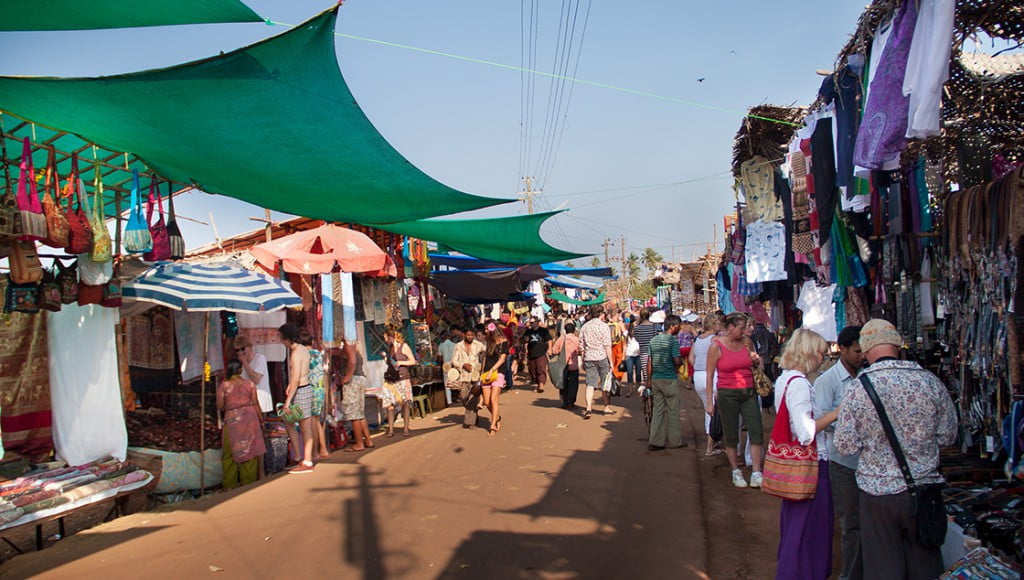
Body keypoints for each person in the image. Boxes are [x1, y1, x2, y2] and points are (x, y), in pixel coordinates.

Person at [834, 319, 956, 580]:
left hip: (877, 495)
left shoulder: (857, 389)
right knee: (926, 566)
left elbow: (844, 445)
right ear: (898, 344)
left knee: (883, 568)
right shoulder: (930, 382)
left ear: (865, 349)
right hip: (924, 493)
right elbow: (948, 435)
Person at [774, 329, 839, 580]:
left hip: (796, 466)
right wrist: (835, 414)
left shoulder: (786, 379)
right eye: (822, 352)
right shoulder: (799, 383)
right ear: (811, 353)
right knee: (809, 530)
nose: (823, 358)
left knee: (797, 528)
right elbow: (805, 432)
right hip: (810, 466)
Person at [814, 326, 865, 580]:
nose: (861, 356)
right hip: (843, 461)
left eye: (864, 351)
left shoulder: (868, 375)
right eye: (856, 351)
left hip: (869, 463)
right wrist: (845, 417)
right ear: (842, 349)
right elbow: (818, 421)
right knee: (851, 525)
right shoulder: (828, 381)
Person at [705, 312, 764, 488]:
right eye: (742, 327)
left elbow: (759, 365)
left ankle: (756, 471)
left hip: (749, 391)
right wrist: (709, 402)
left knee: (756, 431)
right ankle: (735, 471)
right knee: (731, 434)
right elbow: (709, 375)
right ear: (730, 328)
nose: (746, 330)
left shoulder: (747, 343)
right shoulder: (716, 346)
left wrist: (756, 360)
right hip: (727, 393)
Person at [217, 359, 267, 489]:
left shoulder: (224, 385)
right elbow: (256, 403)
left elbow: (220, 405)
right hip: (250, 418)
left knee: (229, 453)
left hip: (232, 420)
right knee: (250, 451)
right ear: (240, 370)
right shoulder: (249, 384)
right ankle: (249, 484)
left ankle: (229, 486)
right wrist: (261, 421)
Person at [279, 323, 314, 474]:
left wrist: (287, 402)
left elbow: (295, 379)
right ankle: (302, 457)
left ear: (286, 339)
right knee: (298, 424)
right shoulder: (303, 350)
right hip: (305, 389)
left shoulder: (295, 354)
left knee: (299, 425)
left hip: (301, 390)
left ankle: (305, 460)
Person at [646, 314, 685, 451]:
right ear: (673, 326)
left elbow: (649, 362)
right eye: (679, 326)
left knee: (657, 410)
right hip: (669, 379)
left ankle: (656, 441)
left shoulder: (654, 340)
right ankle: (675, 441)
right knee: (673, 411)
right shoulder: (672, 342)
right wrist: (680, 363)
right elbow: (676, 360)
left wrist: (648, 380)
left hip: (656, 378)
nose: (680, 328)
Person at [690, 312, 723, 456]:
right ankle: (713, 444)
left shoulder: (698, 339)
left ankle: (710, 445)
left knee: (708, 409)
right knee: (716, 410)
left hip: (698, 375)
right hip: (713, 375)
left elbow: (691, 358)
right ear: (714, 325)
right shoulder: (716, 339)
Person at [579, 304, 614, 419]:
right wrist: (611, 362)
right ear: (601, 314)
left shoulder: (585, 327)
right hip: (602, 357)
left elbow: (582, 345)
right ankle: (606, 407)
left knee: (590, 383)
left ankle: (588, 408)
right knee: (605, 383)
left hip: (589, 357)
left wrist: (583, 358)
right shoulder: (604, 326)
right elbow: (607, 345)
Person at [339, 338, 374, 452]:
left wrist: (347, 376)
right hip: (360, 379)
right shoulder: (355, 346)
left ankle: (359, 443)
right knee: (360, 413)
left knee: (354, 414)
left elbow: (352, 361)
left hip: (353, 380)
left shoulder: (349, 345)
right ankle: (368, 440)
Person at [382, 329, 415, 438]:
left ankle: (406, 428)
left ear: (390, 336)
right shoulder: (390, 348)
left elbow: (413, 361)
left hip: (403, 377)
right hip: (391, 378)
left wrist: (400, 362)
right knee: (390, 405)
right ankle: (391, 429)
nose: (385, 340)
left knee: (406, 403)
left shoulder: (403, 346)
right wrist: (385, 358)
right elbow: (390, 362)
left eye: (386, 337)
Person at [452, 328, 484, 429]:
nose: (470, 337)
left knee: (473, 399)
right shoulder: (458, 346)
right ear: (464, 335)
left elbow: (484, 357)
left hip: (475, 376)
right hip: (463, 377)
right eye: (468, 335)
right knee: (464, 398)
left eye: (472, 335)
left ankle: (471, 422)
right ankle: (474, 414)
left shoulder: (479, 345)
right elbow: (454, 361)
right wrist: (463, 364)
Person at [480, 323, 508, 436]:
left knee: (493, 399)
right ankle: (497, 417)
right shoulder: (488, 341)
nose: (485, 331)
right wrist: (482, 372)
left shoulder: (503, 342)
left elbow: (502, 359)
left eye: (487, 329)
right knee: (486, 402)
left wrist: (492, 370)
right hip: (486, 373)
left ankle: (492, 425)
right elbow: (485, 358)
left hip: (498, 372)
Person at [234, 335, 273, 415]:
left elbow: (256, 379)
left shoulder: (260, 358)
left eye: (243, 349)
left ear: (250, 347)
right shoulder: (242, 364)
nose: (240, 352)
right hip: (247, 402)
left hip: (260, 402)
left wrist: (245, 363)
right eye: (237, 350)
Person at [549, 322, 581, 410]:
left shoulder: (561, 339)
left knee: (563, 383)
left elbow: (554, 351)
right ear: (574, 330)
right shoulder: (577, 340)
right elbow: (580, 351)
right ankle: (571, 403)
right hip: (573, 365)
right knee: (573, 384)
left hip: (562, 365)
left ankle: (564, 402)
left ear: (565, 330)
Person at [523, 317, 552, 393]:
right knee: (533, 370)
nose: (531, 324)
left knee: (541, 368)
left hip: (541, 353)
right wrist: (525, 348)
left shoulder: (543, 331)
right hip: (531, 353)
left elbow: (549, 340)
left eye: (532, 323)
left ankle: (541, 384)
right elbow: (525, 341)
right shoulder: (528, 331)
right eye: (530, 323)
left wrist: (550, 349)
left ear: (537, 322)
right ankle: (537, 383)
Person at [632, 308, 659, 385]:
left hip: (643, 354)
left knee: (646, 376)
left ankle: (648, 393)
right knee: (655, 375)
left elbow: (636, 338)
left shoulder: (637, 328)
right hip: (654, 354)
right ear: (649, 315)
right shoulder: (654, 327)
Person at [623, 323, 641, 392]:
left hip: (638, 355)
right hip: (629, 355)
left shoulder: (640, 333)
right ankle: (630, 389)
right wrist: (623, 356)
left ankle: (638, 389)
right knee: (629, 373)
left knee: (638, 373)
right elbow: (625, 345)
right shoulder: (626, 333)